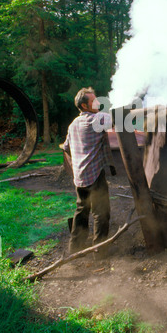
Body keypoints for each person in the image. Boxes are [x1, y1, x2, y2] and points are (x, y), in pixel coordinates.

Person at [62, 87, 116, 255]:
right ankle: (100, 252)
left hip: (79, 177)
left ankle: (75, 248)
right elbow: (118, 118)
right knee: (101, 213)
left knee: (81, 211)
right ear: (85, 106)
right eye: (94, 100)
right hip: (94, 175)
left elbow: (66, 147)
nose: (98, 103)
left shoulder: (73, 124)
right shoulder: (98, 120)